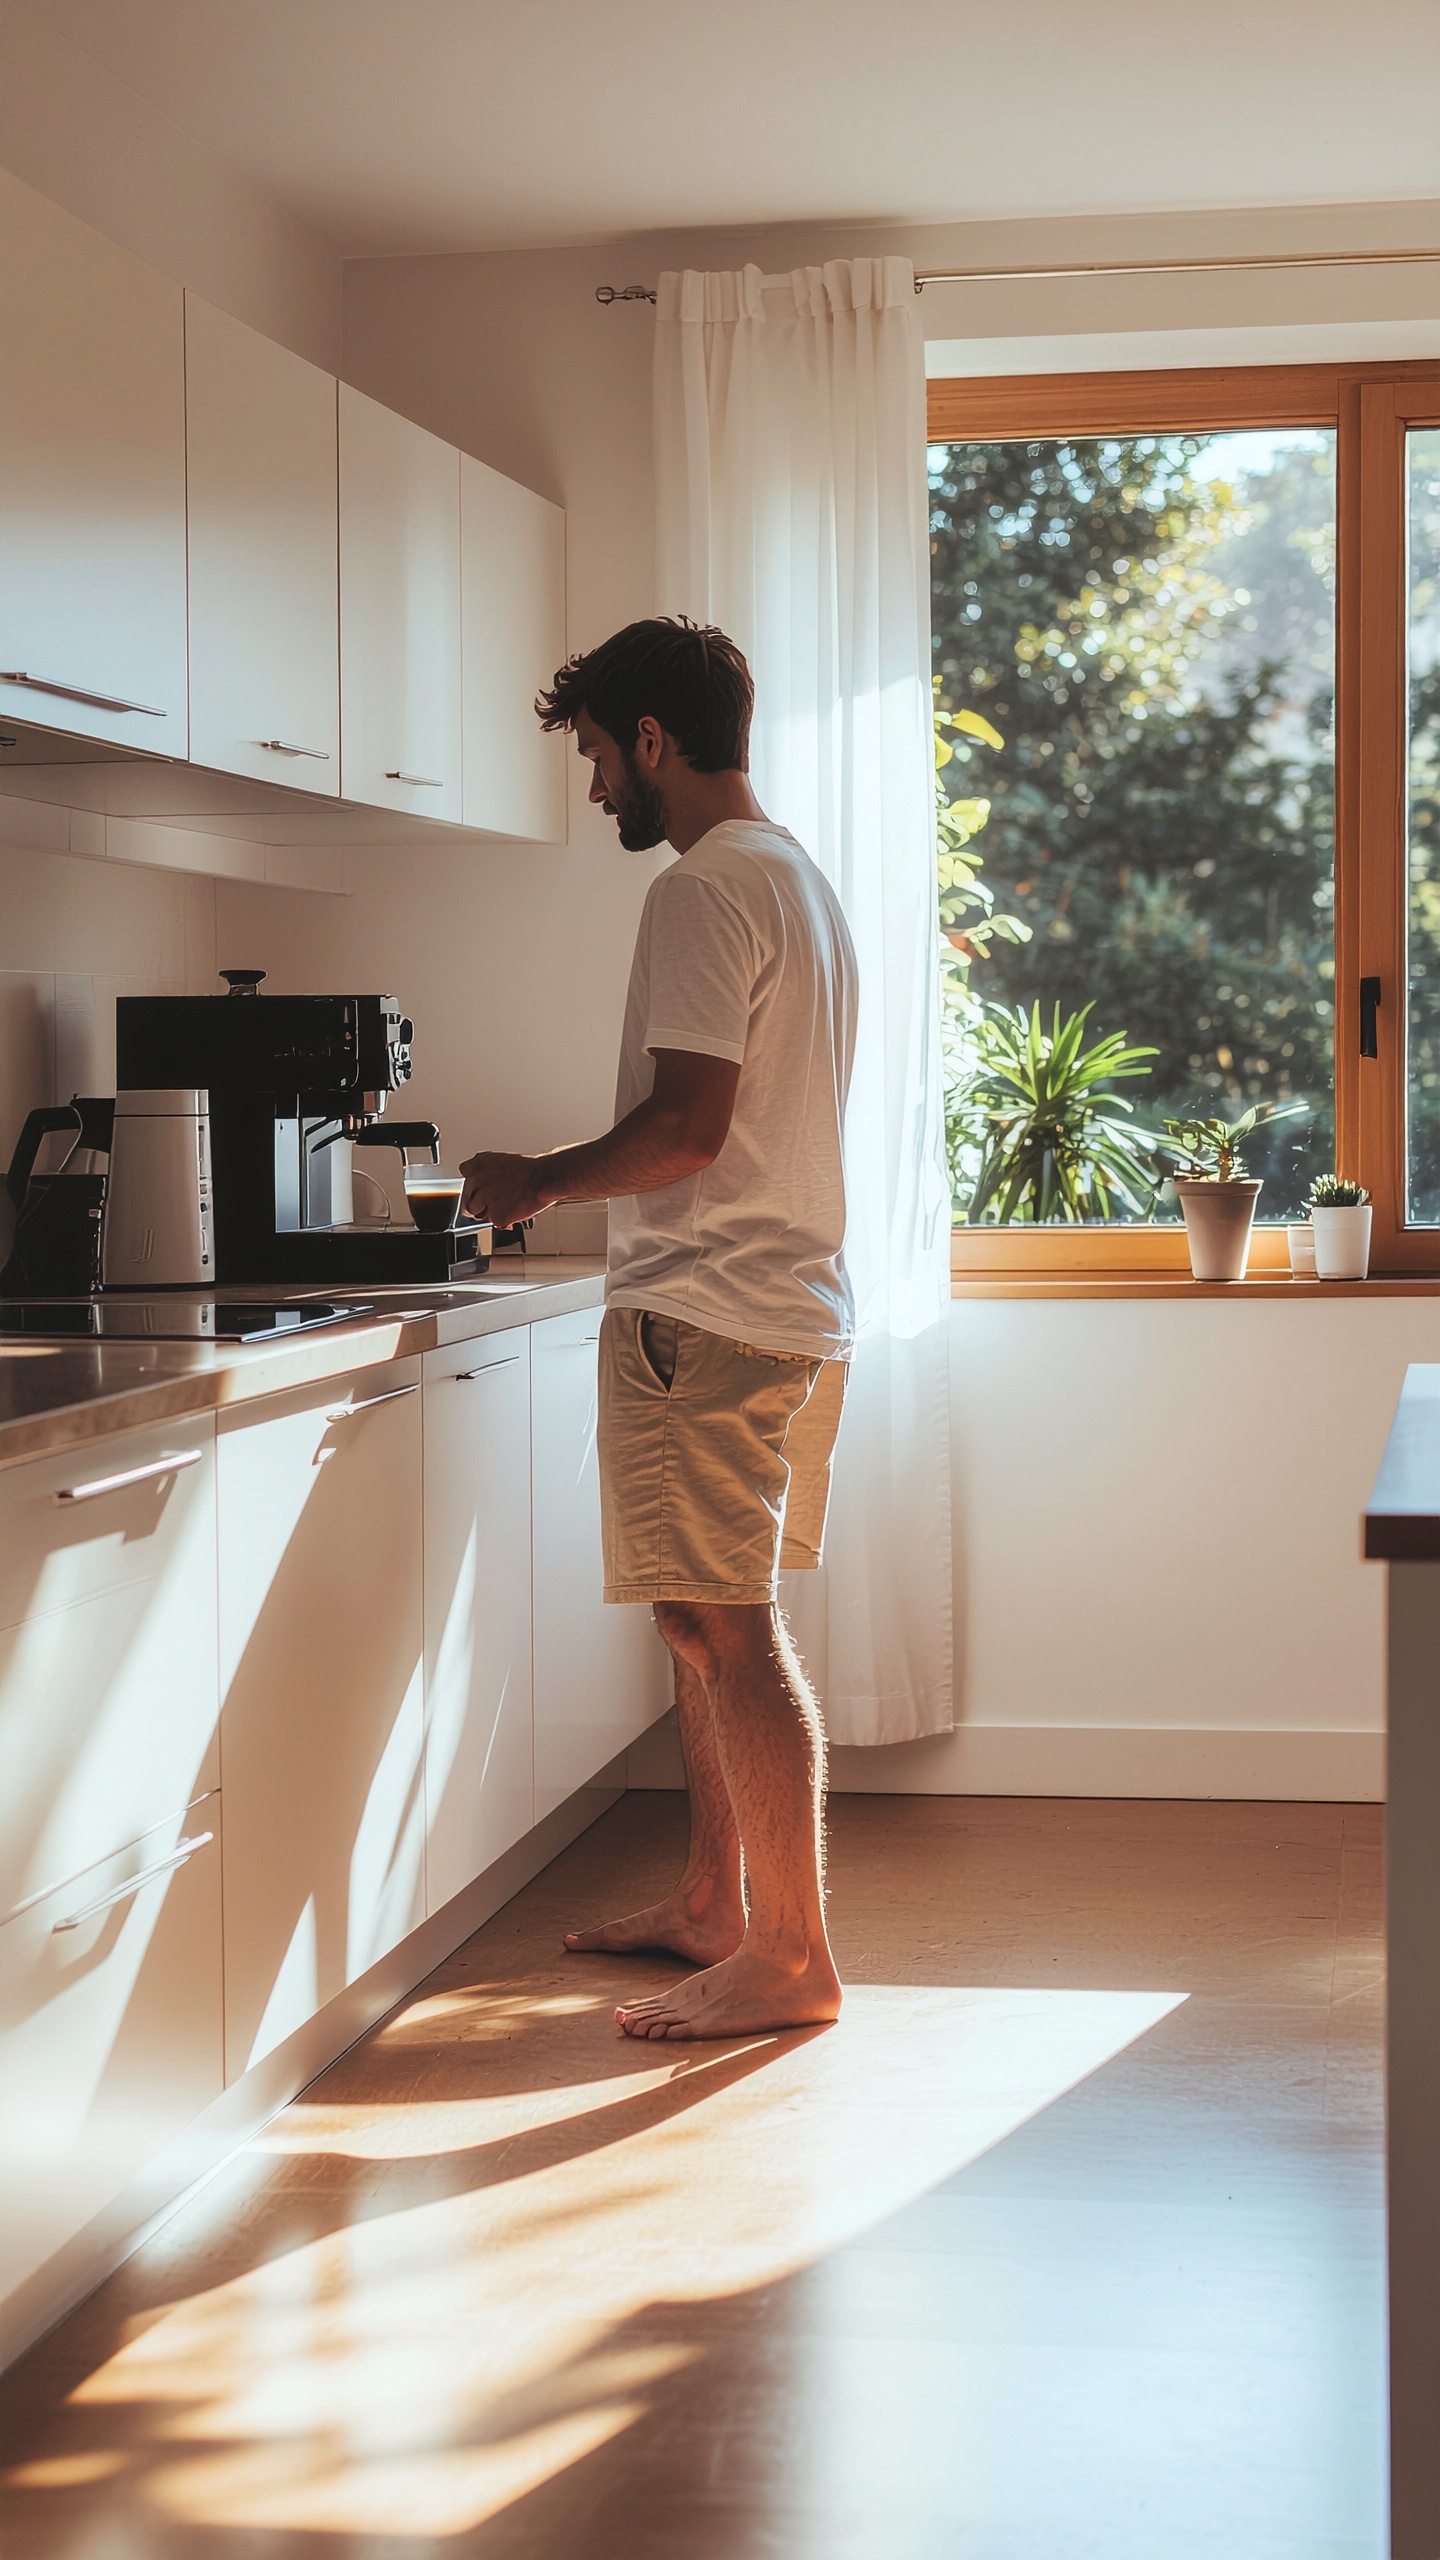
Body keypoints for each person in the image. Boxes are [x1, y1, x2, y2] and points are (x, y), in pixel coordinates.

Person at [460, 618, 857, 2042]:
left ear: (649, 741)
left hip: (711, 1309)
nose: (593, 795)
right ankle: (712, 1905)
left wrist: (539, 1181)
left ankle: (793, 1955)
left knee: (721, 1628)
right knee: (708, 1626)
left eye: (593, 758)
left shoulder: (701, 891)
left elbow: (691, 1130)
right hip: (788, 1305)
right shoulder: (794, 876)